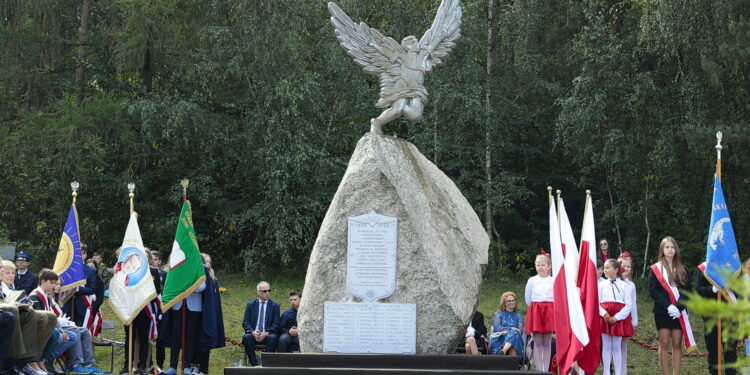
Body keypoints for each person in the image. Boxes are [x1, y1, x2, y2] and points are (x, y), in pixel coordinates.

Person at [28, 269, 105, 375]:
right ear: (43, 282)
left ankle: (87, 364)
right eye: (53, 283)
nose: (55, 286)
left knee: (84, 331)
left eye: (57, 284)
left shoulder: (47, 296)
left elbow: (52, 317)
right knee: (73, 334)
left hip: (53, 327)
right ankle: (71, 363)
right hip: (44, 331)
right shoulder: (36, 296)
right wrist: (60, 331)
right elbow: (43, 319)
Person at [0, 257, 57, 375]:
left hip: (10, 311)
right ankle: (15, 361)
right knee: (13, 310)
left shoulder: (10, 288)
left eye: (13, 273)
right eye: (5, 271)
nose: (11, 275)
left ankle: (30, 360)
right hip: (7, 312)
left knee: (48, 316)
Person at [648, 236, 694, 375]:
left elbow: (687, 291)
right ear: (662, 249)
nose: (670, 250)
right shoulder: (655, 269)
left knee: (677, 343)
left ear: (676, 250)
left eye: (672, 247)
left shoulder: (683, 269)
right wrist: (668, 306)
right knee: (663, 343)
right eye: (667, 247)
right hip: (662, 311)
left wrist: (678, 308)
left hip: (678, 312)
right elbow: (653, 291)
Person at [120, 250, 162, 375]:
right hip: (130, 308)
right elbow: (122, 287)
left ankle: (143, 365)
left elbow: (157, 290)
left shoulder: (153, 271)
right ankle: (127, 364)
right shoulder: (128, 270)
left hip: (145, 309)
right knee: (129, 338)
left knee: (144, 337)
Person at [696, 262, 738, 375]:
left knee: (730, 349)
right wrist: (712, 289)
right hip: (710, 315)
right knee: (713, 349)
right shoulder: (703, 268)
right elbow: (699, 289)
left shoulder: (734, 266)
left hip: (730, 314)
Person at [191, 253, 225, 375]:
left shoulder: (213, 280)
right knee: (197, 343)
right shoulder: (198, 280)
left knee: (207, 343)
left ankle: (204, 370)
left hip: (209, 317)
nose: (208, 264)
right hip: (198, 316)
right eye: (205, 261)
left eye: (209, 262)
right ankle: (194, 366)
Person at [599, 259, 633, 375]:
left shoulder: (624, 285)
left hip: (618, 319)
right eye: (604, 268)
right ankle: (606, 372)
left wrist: (617, 317)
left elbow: (628, 304)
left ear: (616, 269)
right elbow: (596, 303)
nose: (605, 270)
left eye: (608, 268)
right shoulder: (601, 284)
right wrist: (604, 314)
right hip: (605, 318)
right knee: (606, 346)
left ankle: (619, 372)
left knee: (617, 347)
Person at [524, 252, 554, 372]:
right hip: (536, 310)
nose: (540, 267)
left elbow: (557, 296)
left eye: (543, 265)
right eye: (538, 265)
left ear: (549, 266)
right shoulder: (532, 280)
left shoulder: (553, 280)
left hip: (549, 310)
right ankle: (539, 370)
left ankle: (545, 370)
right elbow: (528, 297)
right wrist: (534, 309)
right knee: (537, 342)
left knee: (547, 342)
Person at [242, 281, 280, 366]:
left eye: (269, 290)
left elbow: (276, 324)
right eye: (264, 291)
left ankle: (266, 365)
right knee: (246, 337)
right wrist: (252, 332)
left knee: (273, 337)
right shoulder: (251, 304)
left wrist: (266, 333)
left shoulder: (275, 306)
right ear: (258, 292)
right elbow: (246, 322)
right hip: (253, 334)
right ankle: (254, 364)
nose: (267, 293)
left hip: (268, 334)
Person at [64, 244, 98, 328]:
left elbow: (92, 289)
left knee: (80, 331)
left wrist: (78, 289)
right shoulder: (66, 269)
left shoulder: (90, 271)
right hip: (66, 305)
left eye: (80, 253)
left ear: (85, 254)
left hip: (81, 306)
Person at [618, 252, 637, 375]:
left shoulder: (631, 285)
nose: (626, 268)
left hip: (626, 319)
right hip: (615, 318)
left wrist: (634, 321)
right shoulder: (613, 282)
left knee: (623, 344)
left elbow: (633, 304)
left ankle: (623, 370)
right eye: (624, 266)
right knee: (613, 346)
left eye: (629, 266)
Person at [489, 292, 524, 359]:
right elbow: (497, 328)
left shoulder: (518, 315)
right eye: (509, 301)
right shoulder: (498, 313)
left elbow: (520, 331)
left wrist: (511, 331)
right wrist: (511, 329)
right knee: (514, 333)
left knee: (515, 335)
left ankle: (504, 351)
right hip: (500, 339)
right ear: (504, 303)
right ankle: (513, 366)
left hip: (516, 339)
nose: (512, 302)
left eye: (513, 300)